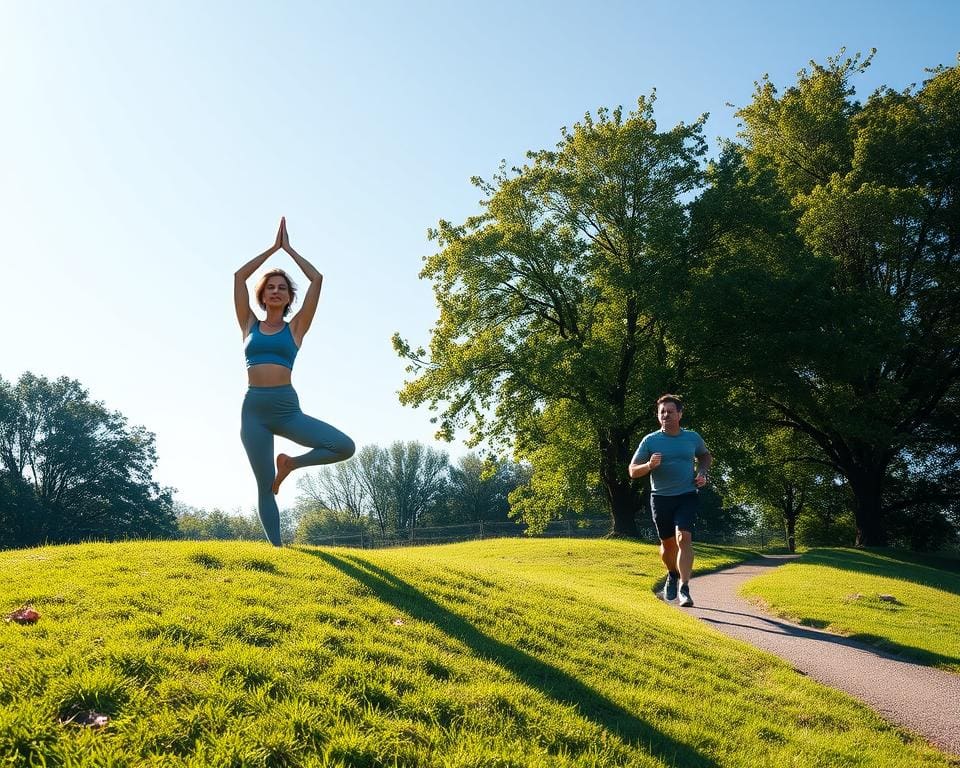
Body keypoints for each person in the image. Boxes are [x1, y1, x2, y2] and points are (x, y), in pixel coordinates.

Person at [234, 217, 355, 546]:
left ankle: (290, 465)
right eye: (270, 287)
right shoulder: (249, 324)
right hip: (254, 411)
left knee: (344, 446)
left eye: (282, 288)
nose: (275, 291)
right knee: (263, 486)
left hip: (286, 408)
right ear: (263, 294)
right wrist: (271, 249)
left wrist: (288, 250)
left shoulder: (296, 328)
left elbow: (316, 279)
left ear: (289, 298)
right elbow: (238, 277)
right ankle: (277, 549)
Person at [628, 394, 712, 607]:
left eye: (670, 411)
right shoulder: (650, 440)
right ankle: (672, 574)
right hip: (661, 498)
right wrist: (648, 466)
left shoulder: (692, 437)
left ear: (680, 414)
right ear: (658, 416)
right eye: (662, 412)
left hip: (687, 495)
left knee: (683, 538)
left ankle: (684, 588)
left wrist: (702, 473)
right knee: (667, 545)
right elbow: (632, 471)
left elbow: (705, 456)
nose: (665, 415)